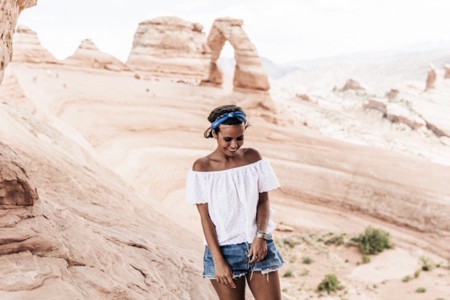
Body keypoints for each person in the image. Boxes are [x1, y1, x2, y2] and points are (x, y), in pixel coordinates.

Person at [186, 104, 284, 300]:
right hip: (224, 251)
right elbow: (206, 219)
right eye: (227, 139)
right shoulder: (201, 168)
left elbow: (263, 202)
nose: (234, 144)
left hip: (258, 246)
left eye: (240, 138)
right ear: (214, 133)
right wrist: (218, 261)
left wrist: (261, 236)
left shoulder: (253, 158)